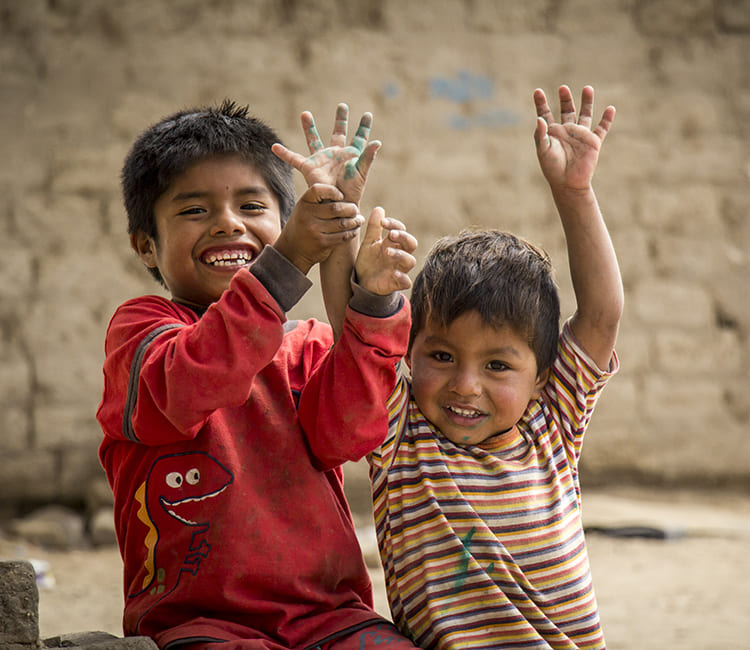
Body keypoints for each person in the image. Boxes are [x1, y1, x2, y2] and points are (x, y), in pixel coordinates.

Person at [96, 99, 421, 649]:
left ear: (283, 222)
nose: (228, 222)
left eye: (251, 205)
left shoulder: (308, 345)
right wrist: (287, 260)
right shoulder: (141, 332)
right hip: (200, 622)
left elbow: (349, 435)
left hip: (329, 616)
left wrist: (368, 288)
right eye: (194, 210)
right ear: (146, 246)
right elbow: (190, 383)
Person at [315, 85, 623, 649]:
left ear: (541, 376)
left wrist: (574, 191)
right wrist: (339, 214)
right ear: (408, 353)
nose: (465, 385)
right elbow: (349, 334)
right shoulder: (402, 434)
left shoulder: (551, 425)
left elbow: (602, 314)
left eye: (498, 365)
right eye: (441, 356)